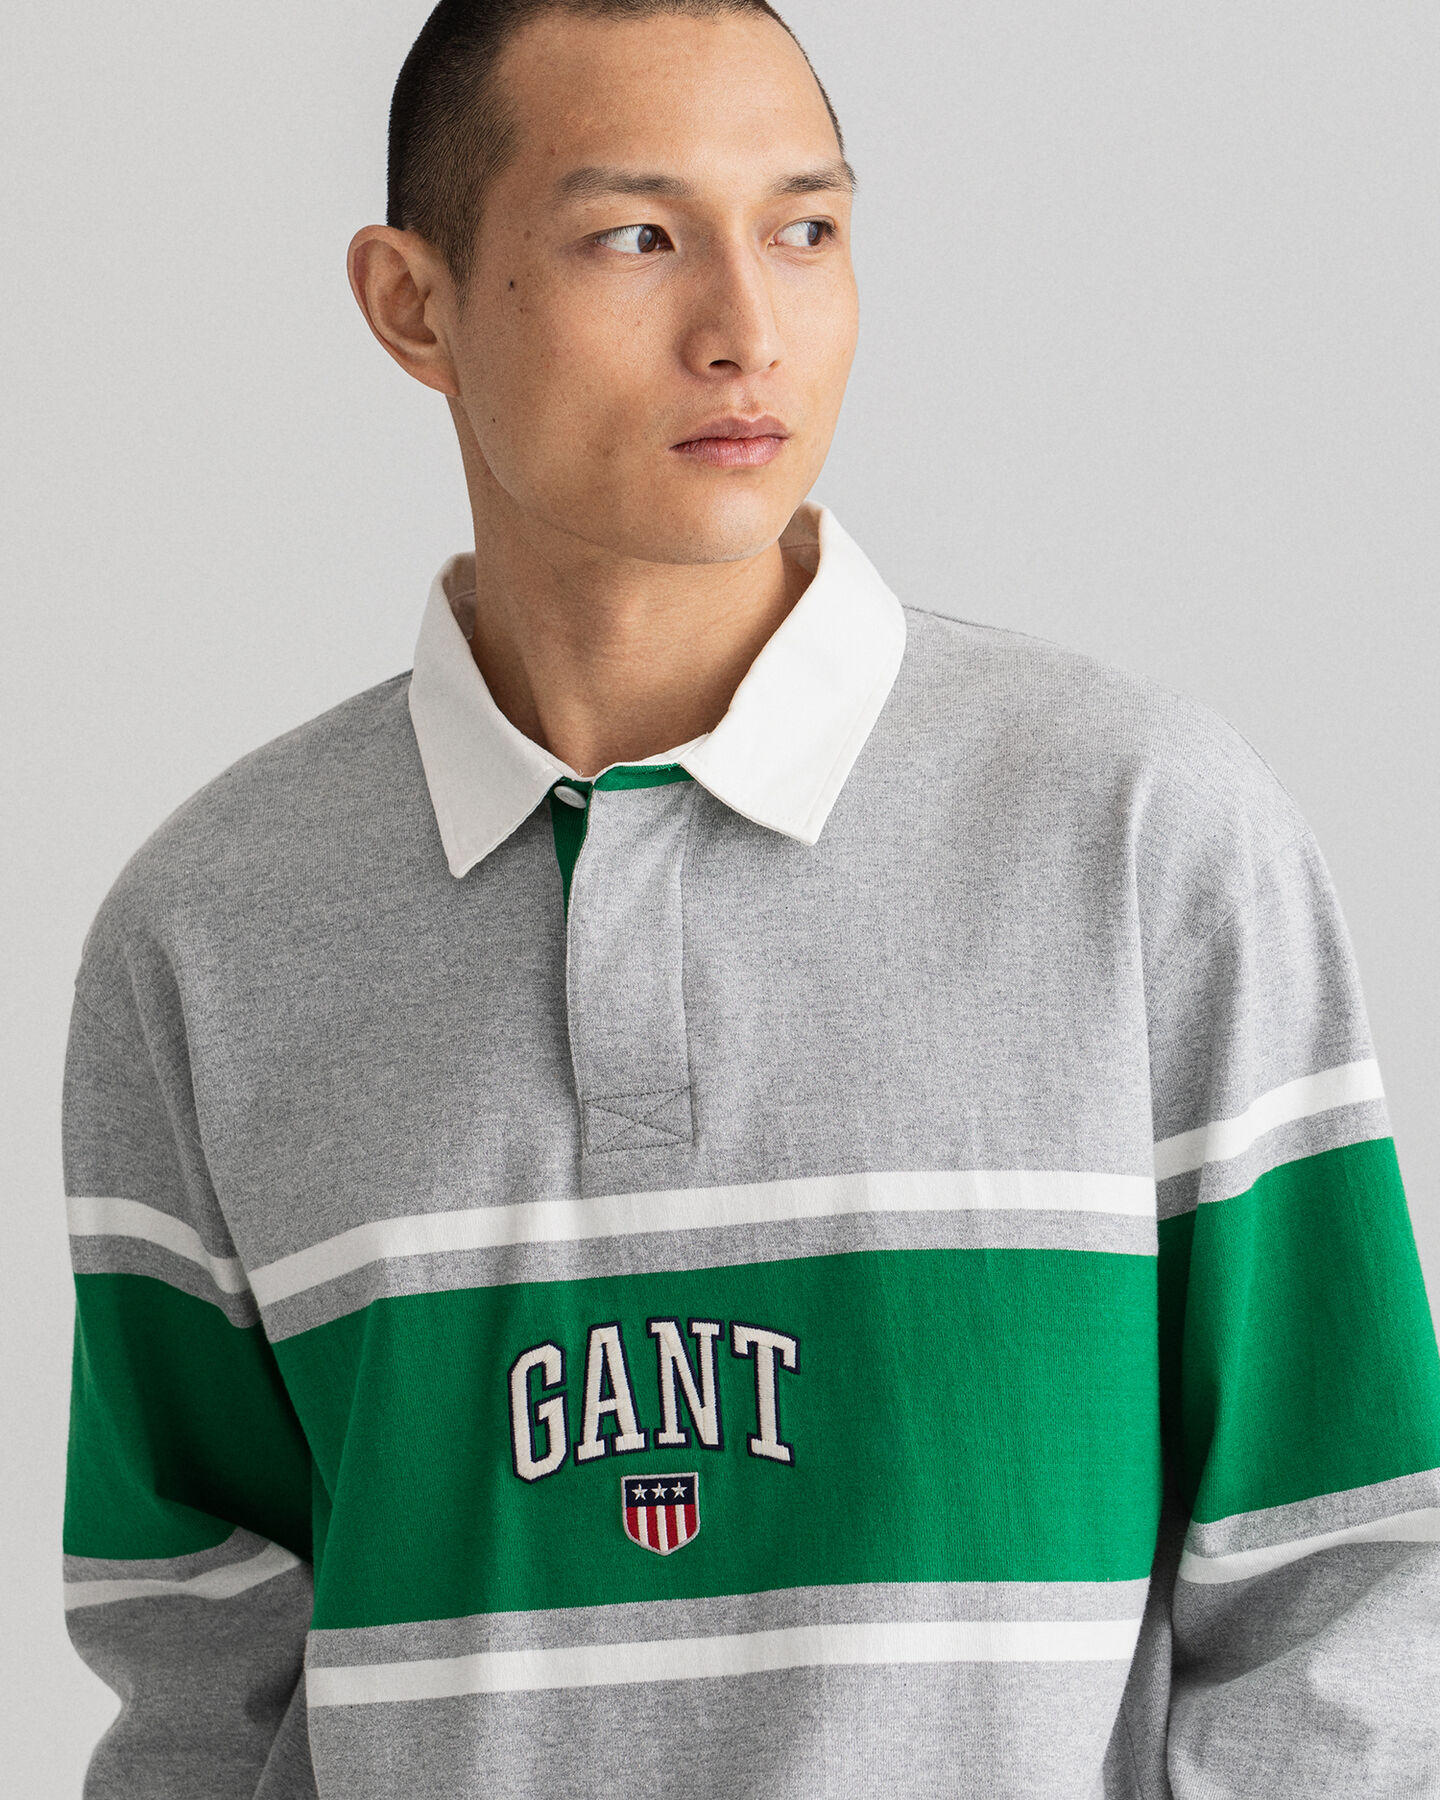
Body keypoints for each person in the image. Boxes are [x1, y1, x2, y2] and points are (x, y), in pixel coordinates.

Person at [59, 1, 1440, 1795]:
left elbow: (1349, 1581)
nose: (746, 328)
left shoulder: (1141, 835)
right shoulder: (208, 937)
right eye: (638, 237)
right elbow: (198, 1678)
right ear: (413, 304)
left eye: (804, 228)